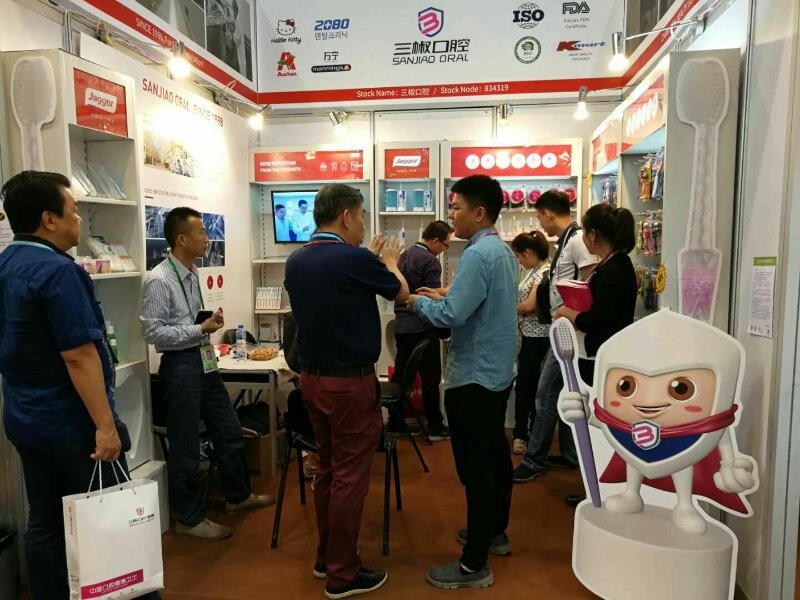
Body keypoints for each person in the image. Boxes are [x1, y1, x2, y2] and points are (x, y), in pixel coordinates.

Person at [0, 171, 160, 599]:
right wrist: (105, 427)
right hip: (74, 424)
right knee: (111, 515)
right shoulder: (57, 272)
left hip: (23, 418)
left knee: (46, 521)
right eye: (73, 212)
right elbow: (79, 355)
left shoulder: (5, 264)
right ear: (48, 219)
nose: (79, 221)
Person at [285, 184, 409, 599]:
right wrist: (389, 261)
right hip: (349, 385)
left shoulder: (297, 260)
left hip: (311, 381)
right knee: (350, 479)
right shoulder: (356, 260)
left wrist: (368, 260)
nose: (363, 225)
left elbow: (340, 287)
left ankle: (326, 557)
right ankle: (342, 575)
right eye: (361, 217)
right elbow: (401, 292)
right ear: (346, 217)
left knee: (327, 469)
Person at [408, 174, 518, 590]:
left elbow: (451, 316)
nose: (451, 214)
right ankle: (493, 532)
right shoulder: (501, 252)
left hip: (473, 376)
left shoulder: (477, 255)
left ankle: (474, 564)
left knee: (476, 469)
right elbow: (475, 303)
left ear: (480, 212)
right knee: (495, 456)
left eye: (456, 207)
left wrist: (416, 302)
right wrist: (444, 295)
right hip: (496, 372)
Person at [140, 207, 274, 541]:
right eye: (201, 231)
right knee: (185, 445)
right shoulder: (159, 279)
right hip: (181, 367)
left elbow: (186, 323)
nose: (207, 237)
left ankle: (237, 495)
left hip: (205, 361)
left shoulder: (192, 273)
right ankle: (189, 518)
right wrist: (199, 328)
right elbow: (153, 333)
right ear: (181, 239)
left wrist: (206, 325)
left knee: (229, 430)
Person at [554, 203, 638, 507]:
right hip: (602, 352)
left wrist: (570, 313)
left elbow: (597, 320)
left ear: (592, 235)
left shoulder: (613, 269)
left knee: (598, 422)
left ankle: (599, 490)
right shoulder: (615, 265)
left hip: (602, 354)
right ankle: (597, 487)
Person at [513, 189, 598, 484]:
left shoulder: (576, 240)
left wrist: (571, 314)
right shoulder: (567, 242)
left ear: (548, 213)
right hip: (563, 330)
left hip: (570, 332)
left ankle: (534, 459)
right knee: (562, 394)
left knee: (546, 393)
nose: (540, 223)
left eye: (540, 216)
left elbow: (591, 281)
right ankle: (571, 455)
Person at [389, 219, 453, 440]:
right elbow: (431, 297)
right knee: (430, 378)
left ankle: (395, 422)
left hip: (402, 325)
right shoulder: (430, 261)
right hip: (423, 326)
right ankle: (434, 425)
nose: (444, 249)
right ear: (435, 240)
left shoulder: (403, 256)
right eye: (445, 245)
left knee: (401, 378)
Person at [509, 231, 551, 455]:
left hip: (537, 337)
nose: (519, 261)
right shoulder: (533, 271)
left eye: (519, 256)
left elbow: (529, 306)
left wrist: (505, 309)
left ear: (527, 252)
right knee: (526, 386)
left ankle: (523, 435)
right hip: (528, 335)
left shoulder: (543, 272)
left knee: (529, 387)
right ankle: (523, 433)